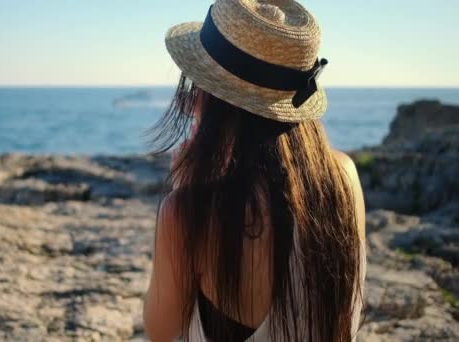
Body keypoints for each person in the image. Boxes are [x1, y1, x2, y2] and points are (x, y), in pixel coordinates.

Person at [142, 0, 366, 341]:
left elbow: (161, 333)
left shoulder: (190, 215)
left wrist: (183, 192)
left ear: (211, 96)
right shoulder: (343, 177)